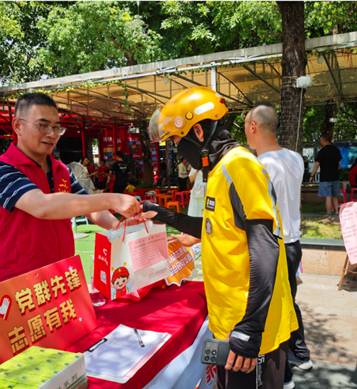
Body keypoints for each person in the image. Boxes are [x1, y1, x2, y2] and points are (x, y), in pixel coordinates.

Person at [143, 86, 296, 389]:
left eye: (176, 142)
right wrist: (163, 215)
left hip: (251, 328)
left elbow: (265, 250)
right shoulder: (218, 172)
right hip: (231, 321)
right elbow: (217, 229)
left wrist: (250, 330)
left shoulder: (240, 168)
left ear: (197, 132)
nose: (178, 152)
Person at [0, 93, 141, 285]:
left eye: (57, 128)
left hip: (62, 278)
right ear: (18, 126)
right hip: (18, 283)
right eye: (43, 125)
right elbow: (42, 206)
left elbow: (90, 208)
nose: (52, 134)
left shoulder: (61, 169)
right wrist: (112, 199)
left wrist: (119, 227)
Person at [244, 103, 311, 387]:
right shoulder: (295, 158)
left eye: (246, 126)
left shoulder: (261, 166)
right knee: (288, 301)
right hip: (293, 244)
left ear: (254, 127)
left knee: (273, 309)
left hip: (274, 245)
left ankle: (284, 374)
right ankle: (301, 353)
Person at [309, 135, 342, 214]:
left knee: (328, 197)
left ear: (323, 140)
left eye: (321, 140)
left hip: (325, 177)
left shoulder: (322, 151)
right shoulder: (336, 150)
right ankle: (337, 212)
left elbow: (317, 164)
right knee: (334, 196)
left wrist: (312, 175)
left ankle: (329, 213)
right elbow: (339, 163)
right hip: (335, 177)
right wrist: (336, 171)